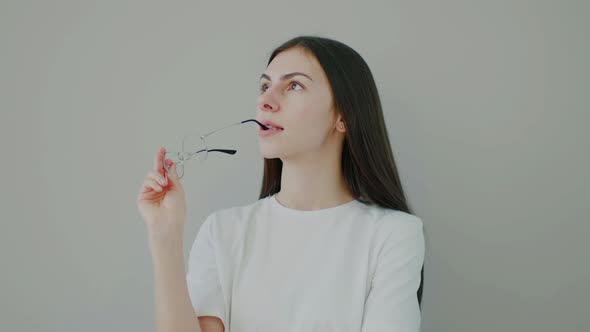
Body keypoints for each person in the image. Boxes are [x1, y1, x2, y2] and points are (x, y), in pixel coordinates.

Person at [137, 35, 426, 332]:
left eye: (294, 85)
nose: (265, 100)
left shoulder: (394, 234)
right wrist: (165, 238)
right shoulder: (223, 231)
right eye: (265, 86)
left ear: (343, 116)